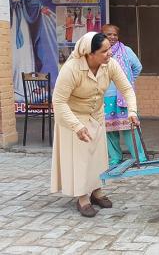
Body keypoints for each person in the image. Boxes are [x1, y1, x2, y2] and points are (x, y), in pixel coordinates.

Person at [50, 32, 140, 217]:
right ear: (90, 54)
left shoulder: (110, 65)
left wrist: (132, 111)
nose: (110, 53)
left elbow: (126, 88)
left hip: (96, 114)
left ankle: (97, 191)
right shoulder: (72, 69)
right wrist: (76, 126)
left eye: (109, 49)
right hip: (73, 116)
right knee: (80, 157)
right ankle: (82, 197)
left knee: (98, 156)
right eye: (105, 50)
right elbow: (58, 102)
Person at [8, 0, 58, 99]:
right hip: (11, 22)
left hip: (22, 20)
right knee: (13, 51)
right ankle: (12, 85)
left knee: (25, 51)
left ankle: (24, 86)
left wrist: (41, 8)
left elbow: (32, 1)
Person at [102, 24, 146, 166]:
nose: (113, 37)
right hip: (106, 95)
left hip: (123, 96)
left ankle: (139, 156)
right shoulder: (98, 52)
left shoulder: (126, 51)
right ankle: (115, 157)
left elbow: (137, 67)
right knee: (109, 129)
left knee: (130, 125)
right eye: (109, 34)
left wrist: (127, 82)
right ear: (102, 35)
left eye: (115, 34)